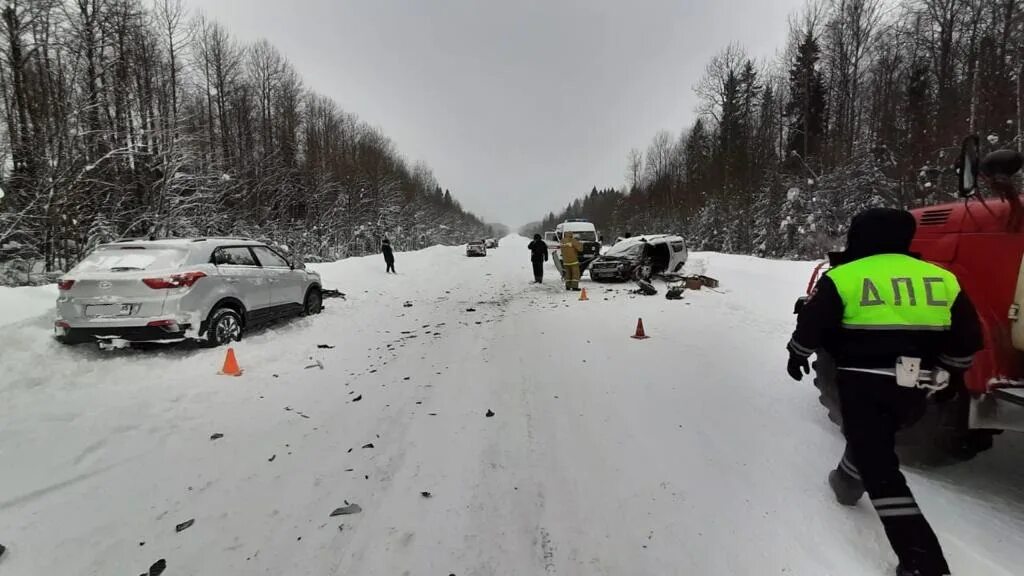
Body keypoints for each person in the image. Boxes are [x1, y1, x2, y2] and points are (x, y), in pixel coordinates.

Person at [787, 208, 982, 576]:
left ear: (859, 236)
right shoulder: (942, 278)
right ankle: (846, 481)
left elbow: (812, 325)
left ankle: (922, 562)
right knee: (875, 440)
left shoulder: (845, 276)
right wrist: (952, 376)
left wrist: (797, 353)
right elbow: (968, 338)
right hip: (915, 387)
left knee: (882, 470)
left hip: (863, 382)